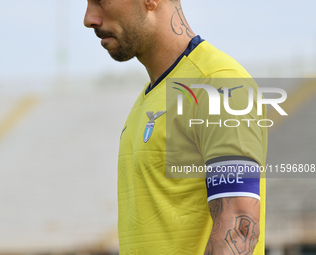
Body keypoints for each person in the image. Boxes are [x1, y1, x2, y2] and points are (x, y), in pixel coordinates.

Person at [84, 0, 267, 254]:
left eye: (101, 1)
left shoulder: (219, 84)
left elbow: (238, 230)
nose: (89, 18)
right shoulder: (147, 100)